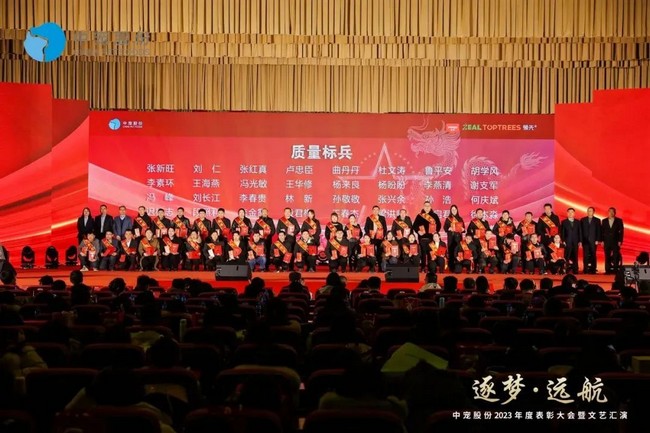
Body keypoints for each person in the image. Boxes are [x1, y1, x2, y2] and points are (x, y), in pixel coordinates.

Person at [412, 201, 441, 272]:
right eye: (425, 206)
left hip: (431, 238)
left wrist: (435, 232)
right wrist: (418, 231)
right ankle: (423, 267)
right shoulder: (419, 216)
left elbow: (439, 225)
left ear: (430, 207)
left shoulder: (434, 215)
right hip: (422, 238)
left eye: (428, 206)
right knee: (423, 253)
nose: (427, 207)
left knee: (430, 253)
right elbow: (414, 226)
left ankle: (430, 268)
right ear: (423, 207)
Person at [601, 207, 624, 274]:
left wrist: (620, 241)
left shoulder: (619, 220)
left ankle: (615, 270)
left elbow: (621, 231)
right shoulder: (604, 221)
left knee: (615, 256)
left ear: (615, 213)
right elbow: (602, 231)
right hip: (606, 241)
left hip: (615, 241)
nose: (611, 213)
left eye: (612, 211)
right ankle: (607, 270)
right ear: (608, 212)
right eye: (610, 211)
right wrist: (602, 240)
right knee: (607, 256)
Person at [443, 204, 464, 271]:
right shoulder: (448, 219)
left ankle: (459, 265)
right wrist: (448, 228)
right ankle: (451, 266)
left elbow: (464, 229)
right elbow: (445, 228)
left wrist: (463, 229)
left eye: (455, 209)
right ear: (450, 211)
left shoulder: (460, 219)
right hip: (451, 238)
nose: (454, 211)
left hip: (458, 238)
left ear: (457, 210)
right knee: (451, 251)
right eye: (452, 210)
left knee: (458, 251)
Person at [580, 206, 601, 274]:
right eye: (588, 211)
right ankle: (585, 269)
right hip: (585, 240)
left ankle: (593, 269)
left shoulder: (597, 220)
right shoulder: (583, 220)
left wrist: (597, 240)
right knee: (585, 255)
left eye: (591, 211)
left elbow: (598, 231)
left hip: (593, 241)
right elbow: (580, 231)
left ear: (593, 212)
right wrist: (580, 240)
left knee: (593, 255)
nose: (589, 212)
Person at [560, 208, 581, 274]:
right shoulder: (564, 222)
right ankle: (566, 269)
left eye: (572, 212)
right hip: (567, 241)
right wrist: (563, 240)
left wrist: (580, 241)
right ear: (567, 213)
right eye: (569, 212)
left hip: (575, 241)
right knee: (567, 256)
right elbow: (562, 232)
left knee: (575, 256)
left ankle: (575, 269)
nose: (570, 213)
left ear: (574, 213)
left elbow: (580, 232)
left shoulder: (578, 222)